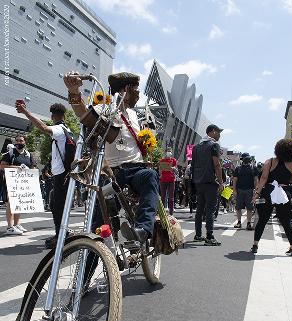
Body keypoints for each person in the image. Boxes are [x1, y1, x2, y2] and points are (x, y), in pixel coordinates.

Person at [64, 70, 159, 243]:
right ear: (127, 89)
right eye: (137, 90)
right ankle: (90, 265)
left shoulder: (132, 114)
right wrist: (74, 92)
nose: (139, 95)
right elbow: (83, 114)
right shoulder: (106, 107)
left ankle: (143, 231)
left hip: (138, 170)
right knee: (99, 224)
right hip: (112, 173)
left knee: (150, 176)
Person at [16, 102, 71, 248]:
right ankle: (61, 233)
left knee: (57, 205)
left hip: (61, 175)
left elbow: (43, 128)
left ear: (53, 116)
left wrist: (26, 113)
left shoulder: (59, 129)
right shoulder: (67, 129)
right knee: (56, 204)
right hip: (64, 174)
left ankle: (61, 236)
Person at [251, 139, 292, 256]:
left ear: (277, 150)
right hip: (284, 193)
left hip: (268, 192)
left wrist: (256, 193)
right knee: (285, 221)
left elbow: (263, 178)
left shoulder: (270, 162)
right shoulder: (291, 165)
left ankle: (255, 245)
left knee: (262, 219)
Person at [191, 124, 224, 245]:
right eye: (218, 132)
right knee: (210, 210)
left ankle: (198, 235)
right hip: (210, 182)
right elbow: (217, 164)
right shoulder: (214, 145)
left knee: (199, 209)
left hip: (198, 182)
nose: (219, 134)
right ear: (213, 132)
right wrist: (221, 182)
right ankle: (209, 237)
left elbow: (193, 165)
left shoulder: (196, 147)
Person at [0, 136, 36, 235]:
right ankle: (10, 227)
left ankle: (16, 224)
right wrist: (17, 167)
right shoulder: (10, 154)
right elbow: (2, 166)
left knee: (19, 204)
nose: (19, 142)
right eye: (17, 141)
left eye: (21, 140)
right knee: (11, 204)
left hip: (23, 183)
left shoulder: (29, 155)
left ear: (25, 142)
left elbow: (33, 167)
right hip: (12, 182)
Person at [233, 152, 258, 230]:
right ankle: (239, 222)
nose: (246, 159)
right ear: (242, 159)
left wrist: (256, 190)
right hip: (239, 190)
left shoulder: (254, 168)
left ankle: (248, 223)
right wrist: (234, 190)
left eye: (247, 158)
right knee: (238, 207)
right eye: (245, 158)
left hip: (250, 190)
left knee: (250, 208)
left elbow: (256, 180)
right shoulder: (238, 168)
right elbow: (234, 180)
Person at [159, 148, 177, 215]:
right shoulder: (162, 161)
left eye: (170, 151)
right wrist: (160, 174)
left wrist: (173, 168)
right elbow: (160, 170)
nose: (168, 153)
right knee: (163, 197)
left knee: (171, 197)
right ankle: (162, 213)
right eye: (167, 151)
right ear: (165, 152)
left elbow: (176, 170)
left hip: (171, 180)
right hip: (163, 180)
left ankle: (171, 213)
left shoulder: (173, 160)